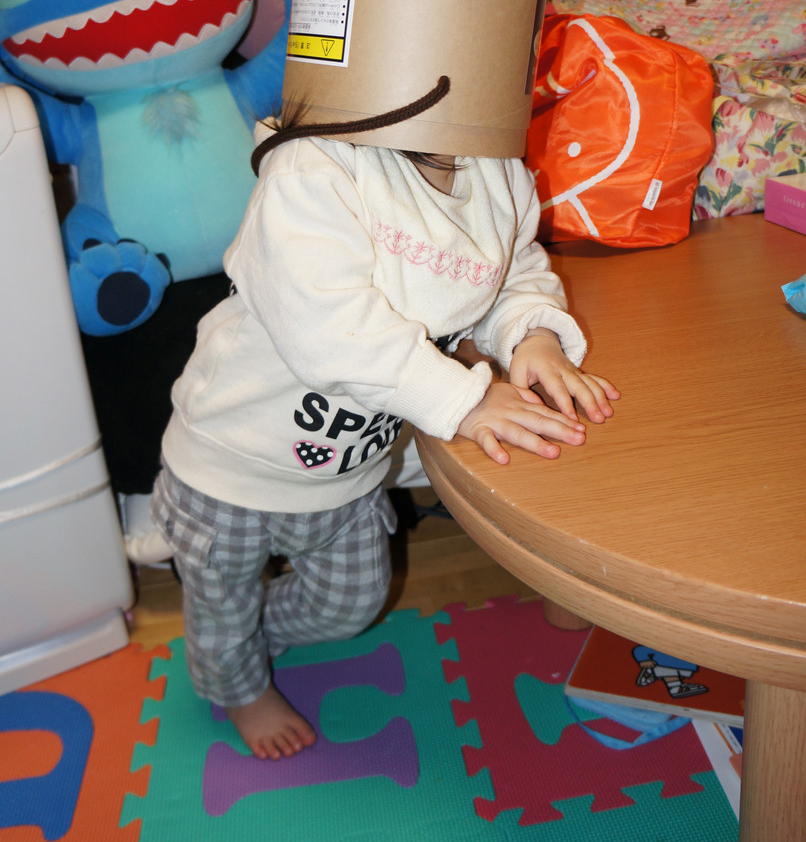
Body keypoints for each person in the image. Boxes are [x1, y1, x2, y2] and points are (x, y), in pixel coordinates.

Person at [150, 106, 619, 763]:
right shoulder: (312, 168)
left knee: (350, 604)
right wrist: (464, 400)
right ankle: (238, 685)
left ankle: (244, 636)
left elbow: (514, 269)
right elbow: (329, 328)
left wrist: (532, 332)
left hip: (348, 472)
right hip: (231, 467)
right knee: (219, 608)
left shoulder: (494, 167)